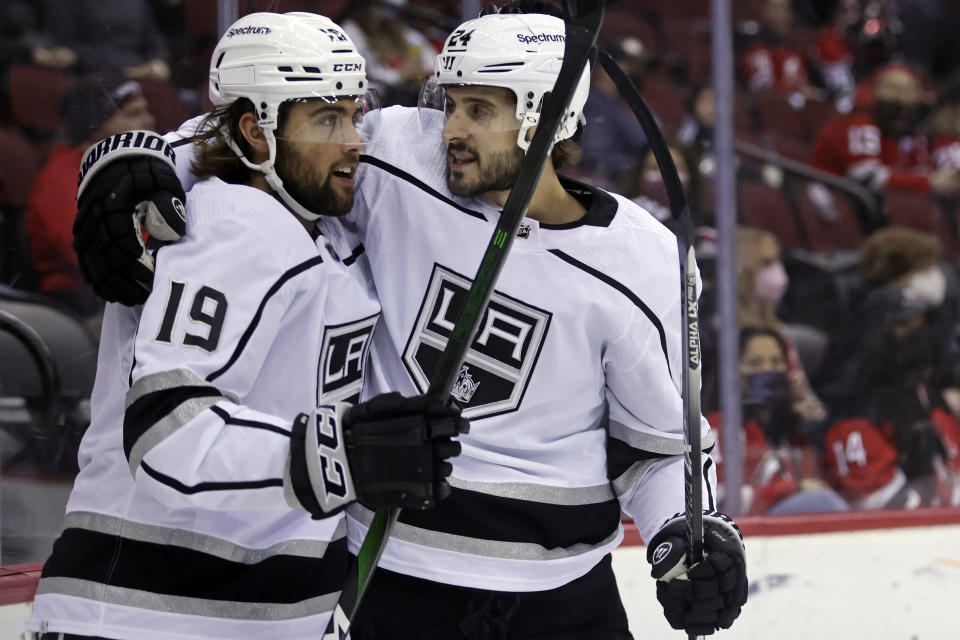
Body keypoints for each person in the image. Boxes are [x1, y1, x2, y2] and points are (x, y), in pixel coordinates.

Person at [69, 5, 749, 638]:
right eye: (451, 103)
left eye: (479, 110)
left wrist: (683, 535)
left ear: (545, 121)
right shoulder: (395, 158)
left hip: (565, 601)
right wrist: (140, 156)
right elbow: (263, 133)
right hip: (389, 578)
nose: (451, 128)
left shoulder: (645, 259)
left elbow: (662, 447)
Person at [25, 13, 465, 640]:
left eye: (354, 115)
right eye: (326, 120)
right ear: (259, 133)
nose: (355, 141)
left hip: (264, 612)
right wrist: (343, 457)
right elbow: (167, 430)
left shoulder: (327, 232)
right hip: (142, 614)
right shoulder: (234, 225)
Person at [25, 73, 155, 326]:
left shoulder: (133, 168)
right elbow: (100, 257)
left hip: (133, 296)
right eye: (133, 114)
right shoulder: (60, 179)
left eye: (146, 110)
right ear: (94, 126)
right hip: (82, 313)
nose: (148, 121)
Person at [709, 326, 849, 516]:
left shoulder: (796, 428)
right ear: (733, 371)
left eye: (777, 362)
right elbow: (718, 499)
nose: (768, 369)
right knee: (825, 503)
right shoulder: (717, 427)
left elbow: (829, 482)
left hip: (792, 532)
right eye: (755, 363)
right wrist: (793, 488)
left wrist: (812, 425)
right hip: (745, 532)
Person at [812, 64, 960, 199]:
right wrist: (929, 183)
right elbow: (866, 178)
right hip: (833, 209)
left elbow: (918, 171)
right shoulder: (858, 123)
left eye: (908, 91)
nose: (900, 98)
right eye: (893, 89)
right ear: (875, 91)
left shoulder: (907, 135)